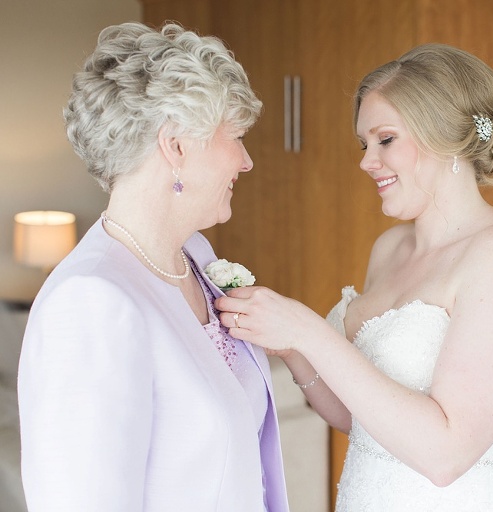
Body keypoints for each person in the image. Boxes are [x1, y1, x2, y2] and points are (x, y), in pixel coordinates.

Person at [216, 43, 493, 511]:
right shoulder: (389, 249)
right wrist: (291, 346)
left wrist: (307, 328)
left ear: (442, 135)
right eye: (364, 143)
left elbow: (445, 456)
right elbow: (358, 418)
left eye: (385, 140)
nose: (366, 161)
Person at [17, 22, 289, 512]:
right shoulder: (90, 302)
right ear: (176, 146)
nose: (246, 162)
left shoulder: (197, 259)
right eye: (236, 137)